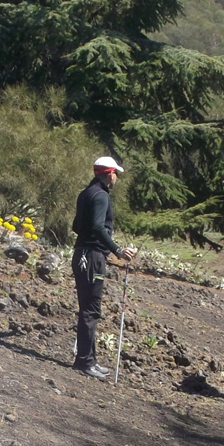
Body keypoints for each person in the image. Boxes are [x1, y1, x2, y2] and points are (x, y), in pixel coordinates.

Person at [71, 157, 134, 379]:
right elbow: (98, 227)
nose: (117, 177)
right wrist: (117, 249)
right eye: (116, 173)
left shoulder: (86, 193)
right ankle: (85, 362)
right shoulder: (101, 196)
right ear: (109, 174)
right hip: (93, 257)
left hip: (82, 254)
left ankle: (89, 359)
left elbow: (77, 226)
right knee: (91, 310)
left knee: (88, 308)